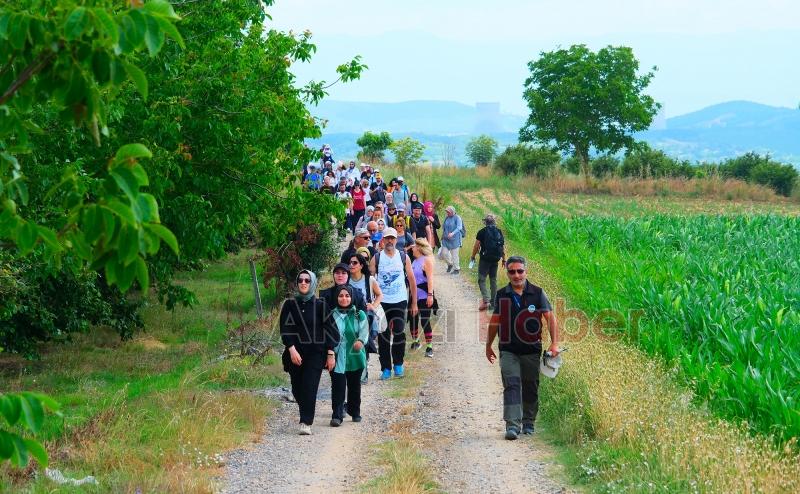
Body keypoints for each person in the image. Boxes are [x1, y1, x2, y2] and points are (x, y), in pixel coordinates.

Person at [485, 256, 559, 440]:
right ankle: (512, 425)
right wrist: (488, 345)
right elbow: (494, 322)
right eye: (512, 271)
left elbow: (550, 318)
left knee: (530, 386)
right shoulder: (502, 294)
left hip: (532, 351)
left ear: (526, 271)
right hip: (508, 350)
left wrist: (555, 343)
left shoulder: (537, 293)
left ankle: (528, 422)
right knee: (511, 385)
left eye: (520, 271)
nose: (516, 275)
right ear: (507, 273)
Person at [279, 270, 339, 435]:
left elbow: (331, 331)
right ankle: (305, 410)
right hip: (294, 353)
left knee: (309, 387)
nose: (303, 283)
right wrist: (291, 349)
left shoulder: (321, 305)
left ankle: (305, 422)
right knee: (297, 389)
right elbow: (285, 328)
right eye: (300, 280)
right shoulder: (290, 305)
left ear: (312, 283)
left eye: (307, 280)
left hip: (315, 353)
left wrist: (330, 353)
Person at [370, 227, 417, 379]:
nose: (390, 241)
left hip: (400, 299)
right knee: (383, 335)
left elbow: (412, 280)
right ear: (382, 240)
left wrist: (414, 303)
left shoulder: (403, 257)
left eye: (392, 238)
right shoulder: (376, 258)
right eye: (387, 238)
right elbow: (370, 281)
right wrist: (371, 303)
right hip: (382, 301)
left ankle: (398, 363)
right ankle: (385, 368)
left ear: (396, 240)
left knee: (399, 332)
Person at [328, 285, 368, 426]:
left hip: (354, 356)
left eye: (347, 296)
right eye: (341, 296)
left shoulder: (359, 314)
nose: (344, 298)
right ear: (336, 297)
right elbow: (327, 334)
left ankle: (355, 411)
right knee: (338, 385)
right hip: (337, 356)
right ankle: (337, 415)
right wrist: (329, 353)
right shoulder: (331, 314)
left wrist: (361, 341)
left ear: (352, 297)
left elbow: (364, 331)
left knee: (354, 385)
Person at [347, 252, 383, 384]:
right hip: (349, 316)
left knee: (363, 343)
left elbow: (379, 295)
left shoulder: (369, 279)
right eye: (350, 263)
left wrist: (373, 306)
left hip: (365, 317)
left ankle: (363, 372)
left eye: (355, 263)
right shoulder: (346, 279)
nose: (351, 265)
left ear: (361, 265)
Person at [470, 214, 506, 311]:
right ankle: (493, 304)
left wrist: (473, 256)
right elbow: (502, 247)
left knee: (481, 279)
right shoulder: (499, 232)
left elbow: (476, 245)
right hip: (496, 259)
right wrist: (504, 259)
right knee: (493, 280)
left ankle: (486, 300)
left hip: (485, 259)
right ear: (494, 222)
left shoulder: (482, 232)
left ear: (485, 222)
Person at [409, 238, 437, 358]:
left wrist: (430, 295)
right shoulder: (414, 262)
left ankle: (429, 347)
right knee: (412, 319)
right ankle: (416, 342)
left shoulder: (427, 261)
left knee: (425, 320)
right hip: (414, 295)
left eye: (414, 246)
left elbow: (430, 279)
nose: (412, 248)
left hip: (425, 295)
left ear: (419, 248)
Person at [440, 206, 464, 274]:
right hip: (446, 239)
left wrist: (452, 233)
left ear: (452, 211)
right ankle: (450, 264)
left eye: (448, 212)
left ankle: (457, 269)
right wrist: (443, 235)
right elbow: (444, 228)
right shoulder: (447, 218)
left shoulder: (457, 218)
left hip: (455, 240)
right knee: (444, 253)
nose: (447, 213)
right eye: (447, 211)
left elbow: (459, 227)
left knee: (455, 255)